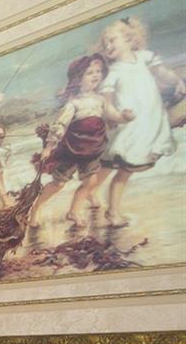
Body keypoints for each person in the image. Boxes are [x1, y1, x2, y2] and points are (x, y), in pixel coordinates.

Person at [28, 53, 125, 247]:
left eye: (98, 71)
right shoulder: (74, 103)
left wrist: (124, 117)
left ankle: (73, 211)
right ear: (78, 78)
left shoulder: (100, 100)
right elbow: (59, 126)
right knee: (58, 184)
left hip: (92, 150)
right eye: (90, 72)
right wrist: (49, 146)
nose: (95, 75)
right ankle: (36, 208)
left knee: (90, 183)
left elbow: (111, 116)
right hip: (71, 150)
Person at [96, 16, 182, 227]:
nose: (107, 46)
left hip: (149, 124)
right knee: (124, 171)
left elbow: (162, 73)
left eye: (112, 40)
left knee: (116, 168)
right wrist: (119, 116)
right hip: (130, 130)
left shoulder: (144, 57)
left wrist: (178, 80)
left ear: (129, 39)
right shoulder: (113, 72)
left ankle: (93, 194)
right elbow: (106, 106)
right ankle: (112, 212)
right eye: (105, 42)